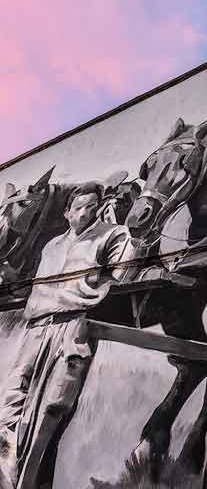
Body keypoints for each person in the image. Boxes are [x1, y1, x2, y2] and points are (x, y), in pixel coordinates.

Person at [0, 182, 136, 489]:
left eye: (92, 205)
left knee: (52, 408)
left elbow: (124, 275)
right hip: (36, 328)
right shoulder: (52, 246)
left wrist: (136, 240)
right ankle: (7, 474)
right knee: (11, 402)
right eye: (80, 206)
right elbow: (37, 288)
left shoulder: (113, 235)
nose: (87, 211)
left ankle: (30, 483)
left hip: (71, 327)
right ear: (67, 212)